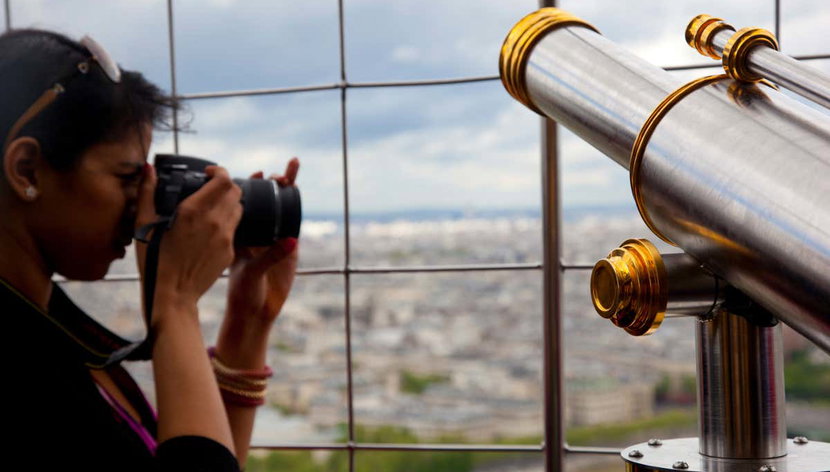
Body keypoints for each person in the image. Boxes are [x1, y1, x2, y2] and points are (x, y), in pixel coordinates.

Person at [0, 29, 299, 471]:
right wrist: (175, 304)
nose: (145, 202)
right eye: (127, 178)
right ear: (27, 170)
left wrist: (246, 326)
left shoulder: (49, 317)